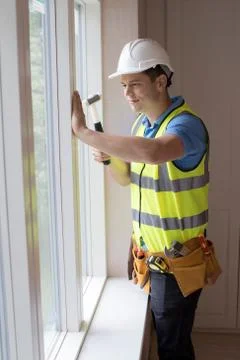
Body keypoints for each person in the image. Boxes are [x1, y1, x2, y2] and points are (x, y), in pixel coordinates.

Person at [71, 38, 209, 360]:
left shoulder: (186, 125)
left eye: (135, 84)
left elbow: (154, 152)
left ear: (161, 81)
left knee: (172, 346)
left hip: (178, 262)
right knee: (170, 341)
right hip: (151, 258)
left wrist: (84, 132)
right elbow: (125, 179)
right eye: (123, 85)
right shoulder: (142, 125)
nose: (127, 93)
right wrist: (108, 158)